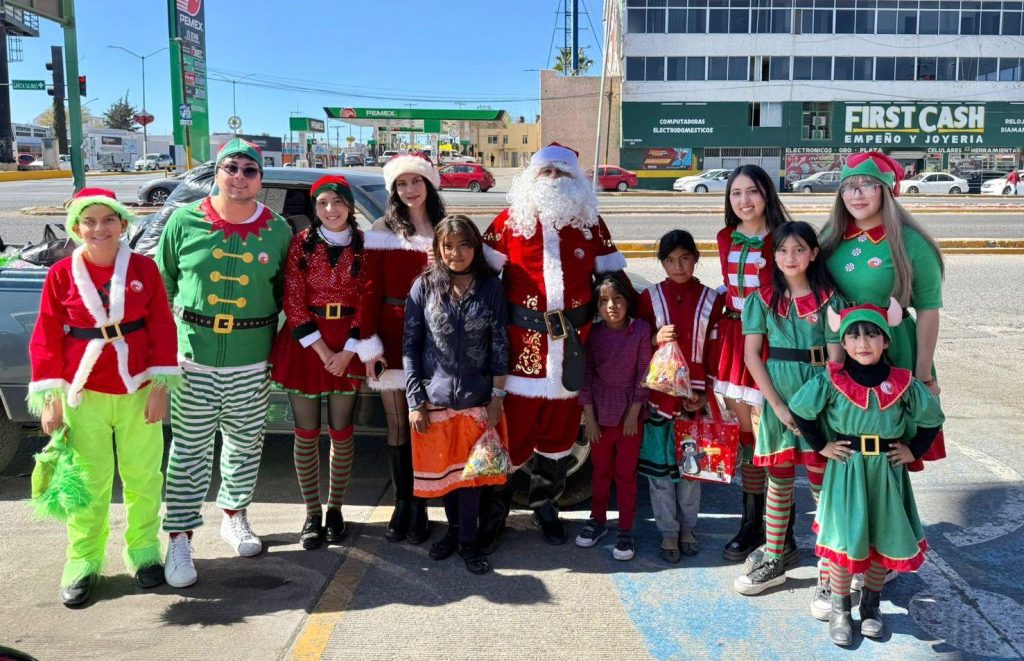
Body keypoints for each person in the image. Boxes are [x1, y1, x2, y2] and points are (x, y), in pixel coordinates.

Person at [28, 188, 180, 607]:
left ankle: (144, 552)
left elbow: (163, 329)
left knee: (144, 477)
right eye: (89, 221)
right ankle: (83, 560)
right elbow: (46, 338)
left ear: (122, 224)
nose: (99, 229)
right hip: (84, 394)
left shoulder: (144, 269)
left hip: (137, 391)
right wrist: (51, 398)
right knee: (88, 483)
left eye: (108, 220)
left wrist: (160, 388)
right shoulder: (61, 274)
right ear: (76, 228)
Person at [156, 139, 291, 588]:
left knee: (245, 443)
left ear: (260, 179)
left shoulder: (277, 229)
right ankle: (179, 535)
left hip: (252, 358)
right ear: (217, 173)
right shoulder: (184, 220)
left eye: (249, 170)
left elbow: (286, 296)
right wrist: (169, 348)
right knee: (188, 450)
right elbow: (163, 286)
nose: (239, 177)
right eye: (230, 167)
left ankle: (234, 514)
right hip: (192, 356)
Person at [482, 142, 626, 547]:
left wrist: (646, 321)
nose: (553, 179)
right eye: (546, 172)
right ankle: (497, 513)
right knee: (511, 438)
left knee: (560, 439)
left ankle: (547, 507)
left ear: (576, 179)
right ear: (532, 177)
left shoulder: (590, 223)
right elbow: (478, 280)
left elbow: (615, 283)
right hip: (520, 353)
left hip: (571, 354)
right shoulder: (508, 222)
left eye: (561, 173)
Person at [789, 301, 944, 647]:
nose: (863, 342)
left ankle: (870, 606)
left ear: (886, 341)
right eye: (854, 335)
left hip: (887, 474)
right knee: (846, 541)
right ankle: (841, 609)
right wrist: (823, 447)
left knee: (882, 540)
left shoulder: (902, 381)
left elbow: (932, 418)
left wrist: (913, 450)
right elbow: (802, 411)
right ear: (842, 343)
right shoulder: (832, 379)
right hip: (847, 472)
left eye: (872, 334)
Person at [732, 221, 843, 603]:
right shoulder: (761, 299)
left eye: (799, 249)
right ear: (773, 255)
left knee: (822, 487)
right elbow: (751, 355)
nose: (789, 257)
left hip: (819, 403)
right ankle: (776, 557)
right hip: (778, 401)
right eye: (782, 250)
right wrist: (778, 407)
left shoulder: (830, 299)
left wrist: (812, 410)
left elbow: (835, 362)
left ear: (813, 253)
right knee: (778, 483)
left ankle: (828, 571)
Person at [820, 151, 945, 475]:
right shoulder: (828, 239)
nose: (856, 194)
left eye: (867, 185)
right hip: (842, 353)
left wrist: (922, 377)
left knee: (890, 455)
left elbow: (929, 309)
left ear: (887, 190)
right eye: (849, 186)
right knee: (844, 454)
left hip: (894, 354)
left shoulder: (912, 243)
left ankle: (892, 522)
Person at [403, 215, 509, 575]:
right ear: (438, 249)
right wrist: (415, 400)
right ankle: (454, 531)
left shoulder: (491, 288)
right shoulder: (424, 288)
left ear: (475, 247)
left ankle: (468, 543)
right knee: (447, 476)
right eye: (448, 245)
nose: (456, 252)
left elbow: (499, 346)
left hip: (477, 401)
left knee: (472, 479)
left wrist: (496, 396)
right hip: (435, 401)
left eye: (464, 244)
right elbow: (411, 346)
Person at [269, 175, 367, 550]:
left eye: (337, 202)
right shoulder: (301, 245)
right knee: (306, 431)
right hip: (307, 345)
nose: (331, 210)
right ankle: (311, 512)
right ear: (315, 207)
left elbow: (367, 299)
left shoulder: (364, 246)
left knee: (341, 430)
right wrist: (325, 352)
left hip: (349, 345)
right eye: (323, 203)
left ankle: (336, 509)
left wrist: (348, 351)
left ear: (349, 206)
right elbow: (292, 299)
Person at [357, 153, 448, 545]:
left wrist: (440, 264)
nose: (410, 190)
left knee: (427, 421)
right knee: (398, 423)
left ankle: (426, 502)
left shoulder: (445, 227)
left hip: (437, 336)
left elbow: (471, 276)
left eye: (417, 181)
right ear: (394, 189)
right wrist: (369, 344)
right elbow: (369, 288)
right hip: (393, 334)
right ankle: (403, 502)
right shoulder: (382, 227)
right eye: (402, 184)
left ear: (429, 184)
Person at [714, 164, 792, 562]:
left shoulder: (784, 239)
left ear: (767, 195)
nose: (744, 200)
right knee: (747, 439)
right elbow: (729, 290)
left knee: (774, 438)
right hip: (733, 341)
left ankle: (785, 530)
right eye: (736, 193)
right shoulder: (725, 237)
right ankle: (750, 523)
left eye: (752, 192)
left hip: (770, 343)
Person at [636, 229, 723, 563]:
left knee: (691, 474)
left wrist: (705, 393)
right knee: (659, 477)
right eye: (670, 260)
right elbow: (636, 344)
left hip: (695, 404)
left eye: (685, 258)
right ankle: (668, 533)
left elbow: (716, 349)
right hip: (660, 402)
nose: (678, 266)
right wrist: (655, 337)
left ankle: (688, 529)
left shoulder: (711, 300)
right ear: (661, 263)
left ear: (695, 259)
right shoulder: (650, 298)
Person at [576, 273, 652, 561]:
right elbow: (586, 376)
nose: (612, 306)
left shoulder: (641, 331)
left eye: (618, 299)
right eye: (604, 301)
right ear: (597, 306)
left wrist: (634, 412)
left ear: (627, 301)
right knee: (601, 473)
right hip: (600, 412)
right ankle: (597, 521)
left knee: (626, 474)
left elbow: (644, 373)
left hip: (629, 415)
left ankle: (625, 529)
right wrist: (590, 418)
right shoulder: (593, 335)